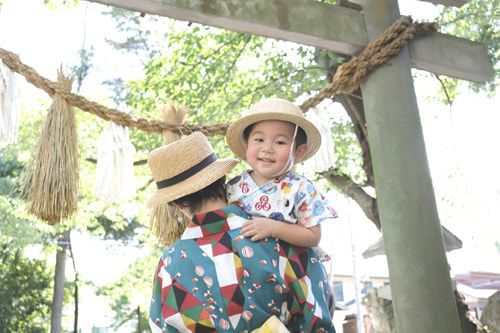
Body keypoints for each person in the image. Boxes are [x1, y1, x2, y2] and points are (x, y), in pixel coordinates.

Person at [147, 131, 335, 332]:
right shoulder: (280, 236)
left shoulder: (169, 265)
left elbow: (161, 326)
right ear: (223, 178)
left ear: (176, 203)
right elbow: (319, 313)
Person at [225, 97, 338, 262]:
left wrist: (274, 228)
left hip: (290, 272)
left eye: (279, 142)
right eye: (259, 139)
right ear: (246, 145)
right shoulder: (232, 186)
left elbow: (313, 236)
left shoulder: (301, 188)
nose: (267, 148)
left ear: (298, 152)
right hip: (245, 269)